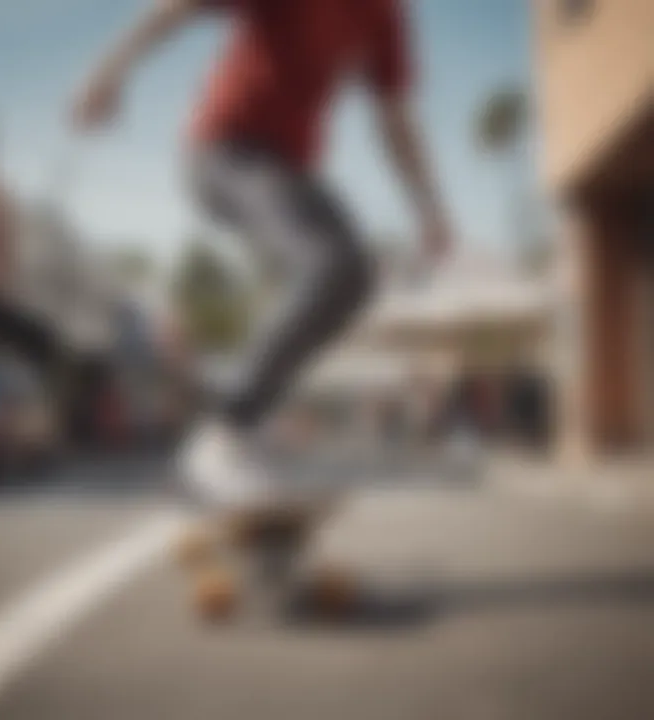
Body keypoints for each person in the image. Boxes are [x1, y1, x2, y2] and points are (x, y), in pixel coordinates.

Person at [72, 0, 452, 508]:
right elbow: (175, 9)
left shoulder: (384, 15)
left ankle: (241, 429)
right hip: (222, 153)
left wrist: (428, 206)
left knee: (354, 274)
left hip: (289, 169)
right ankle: (221, 439)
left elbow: (394, 116)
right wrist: (108, 74)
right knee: (329, 264)